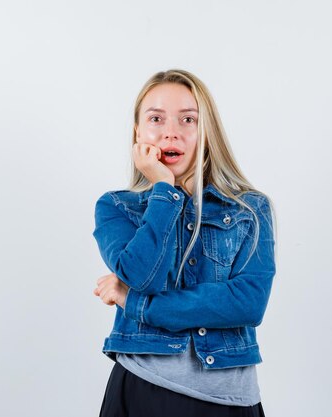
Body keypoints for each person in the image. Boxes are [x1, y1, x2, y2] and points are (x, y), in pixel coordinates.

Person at [91, 69, 276, 417]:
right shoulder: (117, 207)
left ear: (206, 130)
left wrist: (138, 305)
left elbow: (249, 304)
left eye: (188, 119)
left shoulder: (251, 209)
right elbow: (143, 277)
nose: (170, 131)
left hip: (231, 399)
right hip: (143, 387)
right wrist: (164, 190)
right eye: (156, 119)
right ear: (138, 131)